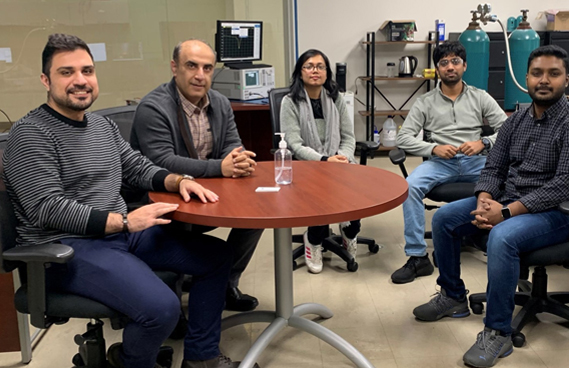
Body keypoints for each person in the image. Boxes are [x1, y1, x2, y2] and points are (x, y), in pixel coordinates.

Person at [2, 34, 254, 368]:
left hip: (119, 235)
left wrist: (179, 181)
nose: (80, 80)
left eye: (87, 71)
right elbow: (47, 207)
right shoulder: (30, 134)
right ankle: (131, 361)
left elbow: (136, 166)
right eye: (67, 72)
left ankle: (201, 358)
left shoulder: (100, 126)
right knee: (161, 309)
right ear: (46, 80)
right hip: (66, 250)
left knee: (217, 255)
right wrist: (123, 222)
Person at [413, 45, 569, 368]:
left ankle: (498, 331)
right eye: (537, 73)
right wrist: (485, 199)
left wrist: (506, 213)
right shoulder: (518, 118)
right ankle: (453, 296)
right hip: (509, 200)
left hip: (561, 213)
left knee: (503, 237)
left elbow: (563, 187)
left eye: (553, 74)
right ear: (526, 78)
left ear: (565, 80)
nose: (544, 80)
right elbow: (494, 167)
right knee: (443, 218)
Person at [130, 39, 263, 312]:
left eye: (207, 68)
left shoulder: (221, 103)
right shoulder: (153, 107)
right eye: (191, 66)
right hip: (160, 197)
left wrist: (237, 160)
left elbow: (231, 145)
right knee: (178, 226)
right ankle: (171, 303)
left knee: (256, 214)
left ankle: (226, 284)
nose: (200, 75)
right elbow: (163, 161)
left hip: (205, 191)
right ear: (174, 67)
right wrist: (220, 168)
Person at [391, 41, 506, 284]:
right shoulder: (425, 102)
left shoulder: (480, 97)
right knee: (409, 187)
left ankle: (495, 242)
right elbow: (403, 138)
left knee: (507, 184)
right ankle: (417, 256)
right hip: (441, 163)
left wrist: (483, 142)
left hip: (477, 162)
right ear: (437, 69)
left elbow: (508, 129)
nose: (450, 67)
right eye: (444, 63)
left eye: (455, 62)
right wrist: (433, 147)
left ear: (464, 65)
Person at [280, 49, 361, 274]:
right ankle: (313, 241)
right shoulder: (290, 102)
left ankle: (349, 233)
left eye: (320, 66)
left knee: (358, 189)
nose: (315, 71)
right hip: (306, 166)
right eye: (309, 66)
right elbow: (295, 145)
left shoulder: (336, 99)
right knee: (319, 189)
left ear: (327, 72)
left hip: (338, 161)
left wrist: (343, 158)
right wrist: (325, 160)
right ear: (300, 72)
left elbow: (348, 137)